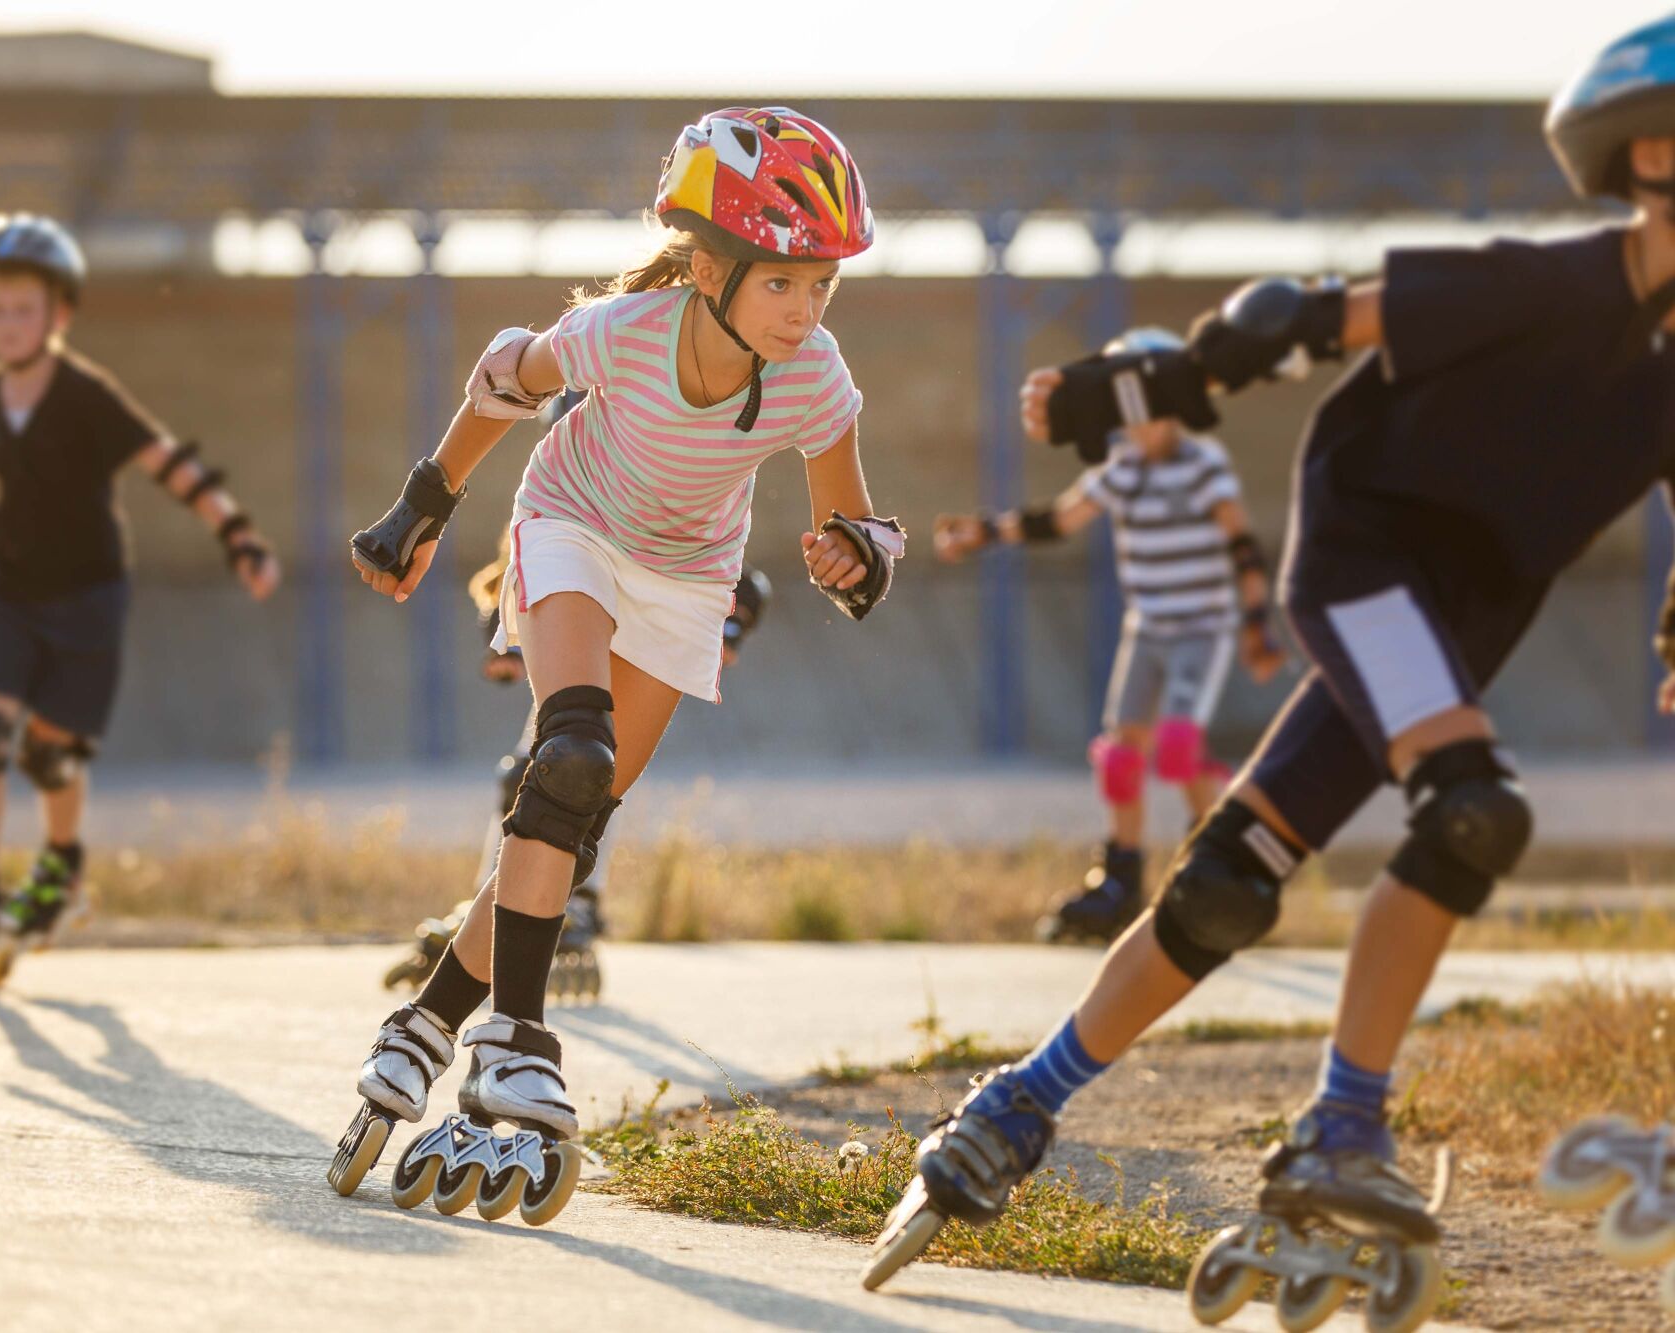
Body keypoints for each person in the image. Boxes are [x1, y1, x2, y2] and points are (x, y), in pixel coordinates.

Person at [866, 20, 1675, 1329]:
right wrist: (1142, 389)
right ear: (1649, 156)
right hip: (1367, 559)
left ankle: (1015, 1103)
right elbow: (1302, 319)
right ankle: (1343, 1125)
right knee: (1472, 809)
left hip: (1456, 624)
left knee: (1230, 878)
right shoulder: (1554, 284)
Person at [327, 106, 900, 1227]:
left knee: (566, 826)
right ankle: (514, 1043)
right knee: (569, 755)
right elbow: (503, 376)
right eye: (782, 282)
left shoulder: (815, 377)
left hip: (688, 577)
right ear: (708, 268)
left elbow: (855, 528)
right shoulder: (625, 331)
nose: (804, 310)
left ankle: (424, 1026)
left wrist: (855, 559)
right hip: (571, 526)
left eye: (822, 285)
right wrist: (421, 507)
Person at [0, 213, 279, 994]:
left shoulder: (86, 395)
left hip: (87, 598)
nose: (7, 323)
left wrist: (237, 535)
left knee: (48, 754)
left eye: (22, 309)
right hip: (8, 593)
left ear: (59, 312)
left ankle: (61, 869)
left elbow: (169, 462)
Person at [934, 326, 1284, 945]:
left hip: (1201, 628)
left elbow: (1241, 544)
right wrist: (982, 533)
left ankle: (1220, 866)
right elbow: (1059, 519)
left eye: (1149, 412)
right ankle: (1121, 881)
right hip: (1147, 627)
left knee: (1178, 750)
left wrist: (1257, 625)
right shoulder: (1122, 469)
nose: (1140, 428)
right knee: (1121, 754)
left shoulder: (1202, 465)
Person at [383, 548, 772, 1001]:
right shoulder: (557, 514)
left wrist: (729, 626)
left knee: (590, 774)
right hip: (581, 637)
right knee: (539, 772)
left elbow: (738, 572)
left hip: (636, 644)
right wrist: (505, 639)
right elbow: (523, 557)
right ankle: (491, 896)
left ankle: (578, 899)